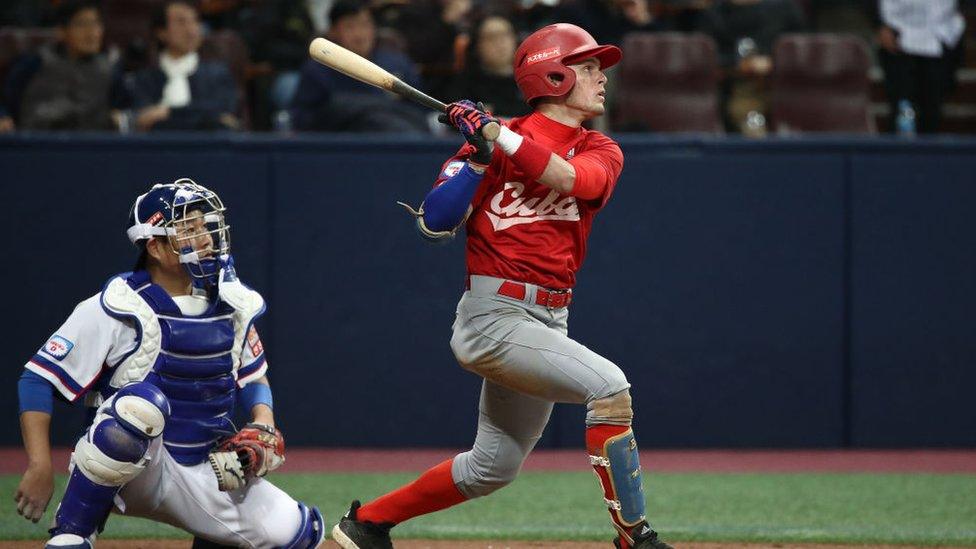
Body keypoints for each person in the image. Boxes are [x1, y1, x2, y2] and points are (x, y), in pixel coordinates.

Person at [332, 23, 673, 549]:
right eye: (587, 67)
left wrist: (501, 138)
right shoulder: (489, 143)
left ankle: (366, 523)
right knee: (610, 389)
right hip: (493, 318)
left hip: (549, 319)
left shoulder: (599, 147)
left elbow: (577, 181)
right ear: (553, 75)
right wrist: (479, 158)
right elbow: (434, 224)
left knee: (491, 468)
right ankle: (635, 537)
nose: (601, 77)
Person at [14, 179, 325, 549]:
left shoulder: (232, 302)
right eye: (189, 230)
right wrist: (39, 464)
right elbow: (36, 380)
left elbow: (255, 378)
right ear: (156, 247)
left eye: (205, 226)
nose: (207, 238)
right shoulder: (118, 305)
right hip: (134, 467)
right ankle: (74, 530)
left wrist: (264, 420)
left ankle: (216, 535)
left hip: (205, 463)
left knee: (301, 534)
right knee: (139, 407)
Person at [291, 0, 428, 133]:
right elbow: (303, 122)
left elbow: (420, 113)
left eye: (365, 25)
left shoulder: (398, 63)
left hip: (398, 145)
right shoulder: (318, 70)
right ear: (333, 31)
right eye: (350, 26)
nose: (359, 34)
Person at [3, 0, 129, 131]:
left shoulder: (109, 70)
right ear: (61, 31)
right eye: (82, 24)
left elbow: (126, 111)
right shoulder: (34, 64)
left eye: (96, 24)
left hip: (92, 147)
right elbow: (5, 103)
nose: (92, 32)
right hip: (37, 145)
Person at [130, 1, 240, 131]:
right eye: (181, 22)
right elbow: (142, 120)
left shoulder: (217, 74)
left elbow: (224, 116)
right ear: (161, 32)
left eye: (195, 21)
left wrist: (168, 112)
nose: (191, 29)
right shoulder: (145, 78)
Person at [874, 0, 966, 134]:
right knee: (902, 107)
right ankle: (900, 148)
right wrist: (879, 24)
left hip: (940, 36)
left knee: (931, 108)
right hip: (897, 38)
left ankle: (930, 148)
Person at [448, 13, 530, 119]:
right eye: (491, 37)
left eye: (505, 35)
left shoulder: (529, 79)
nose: (500, 42)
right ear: (478, 46)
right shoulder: (464, 84)